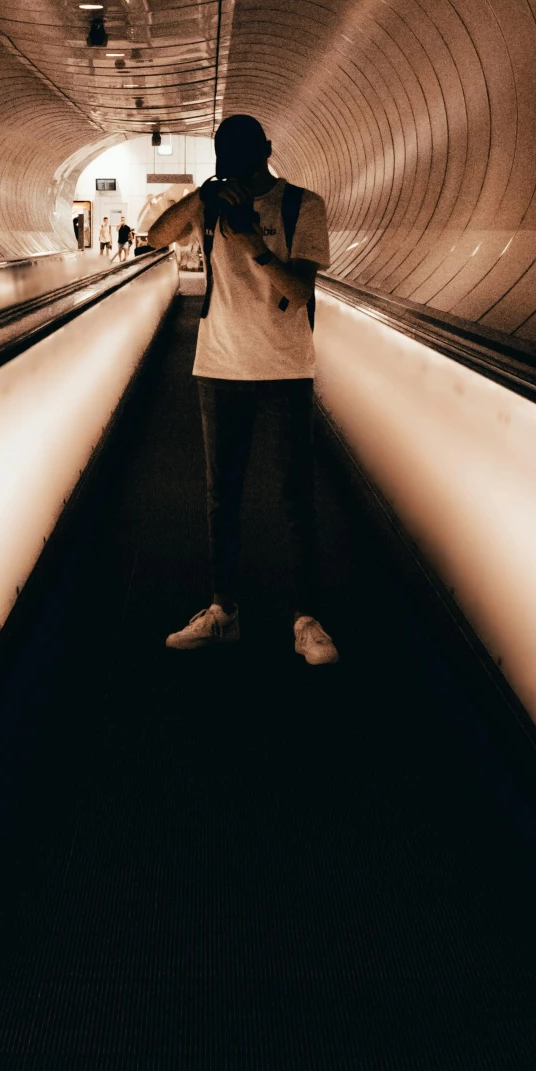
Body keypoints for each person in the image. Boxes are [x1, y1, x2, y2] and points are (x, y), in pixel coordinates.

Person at [145, 113, 338, 665]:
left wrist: (253, 244)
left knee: (294, 496)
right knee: (220, 497)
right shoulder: (211, 202)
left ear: (267, 151)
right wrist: (203, 196)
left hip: (284, 366)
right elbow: (156, 237)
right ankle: (223, 610)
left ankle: (307, 618)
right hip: (219, 364)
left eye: (241, 155)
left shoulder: (304, 205)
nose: (232, 166)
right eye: (222, 155)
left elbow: (299, 290)